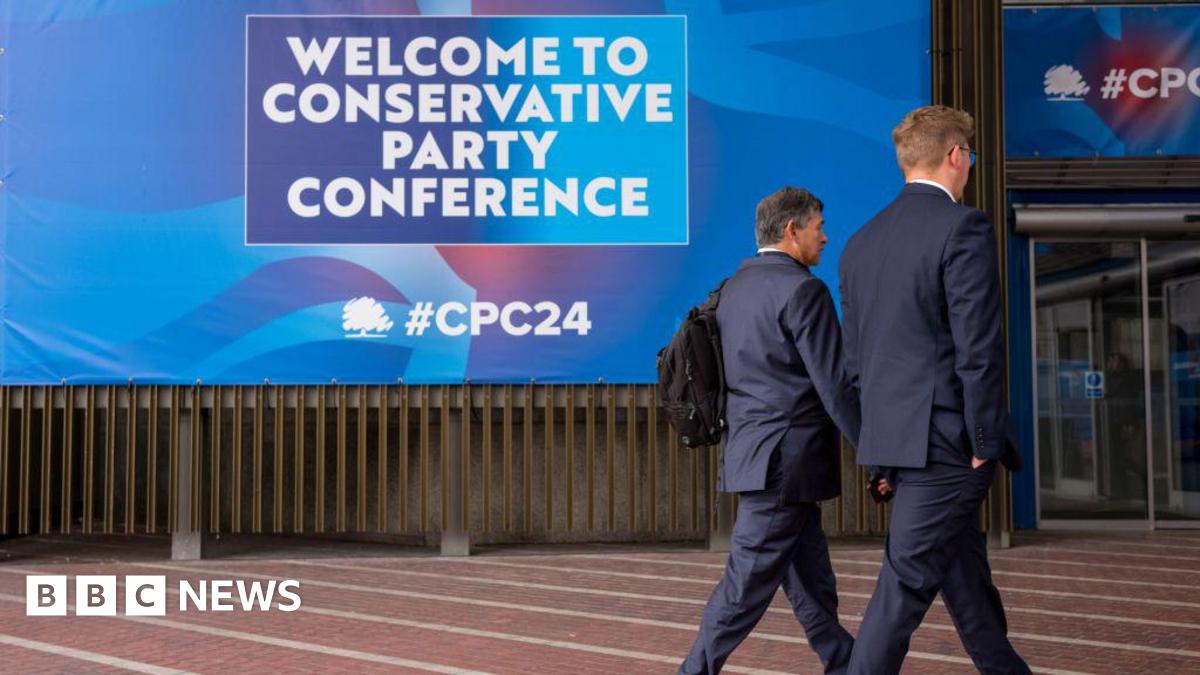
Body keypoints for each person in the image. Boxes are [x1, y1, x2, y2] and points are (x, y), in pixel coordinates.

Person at [838, 105, 1029, 674]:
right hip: (948, 445)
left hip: (898, 444)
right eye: (968, 153)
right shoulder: (962, 227)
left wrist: (876, 449)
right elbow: (979, 347)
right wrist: (983, 439)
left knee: (965, 582)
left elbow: (857, 363)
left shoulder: (859, 244)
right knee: (902, 589)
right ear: (955, 155)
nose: (968, 163)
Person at [680, 186, 859, 674]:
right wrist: (876, 452)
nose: (826, 236)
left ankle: (845, 664)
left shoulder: (733, 289)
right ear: (791, 229)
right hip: (786, 463)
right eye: (819, 226)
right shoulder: (803, 290)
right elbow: (835, 385)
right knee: (744, 588)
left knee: (812, 582)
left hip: (756, 457)